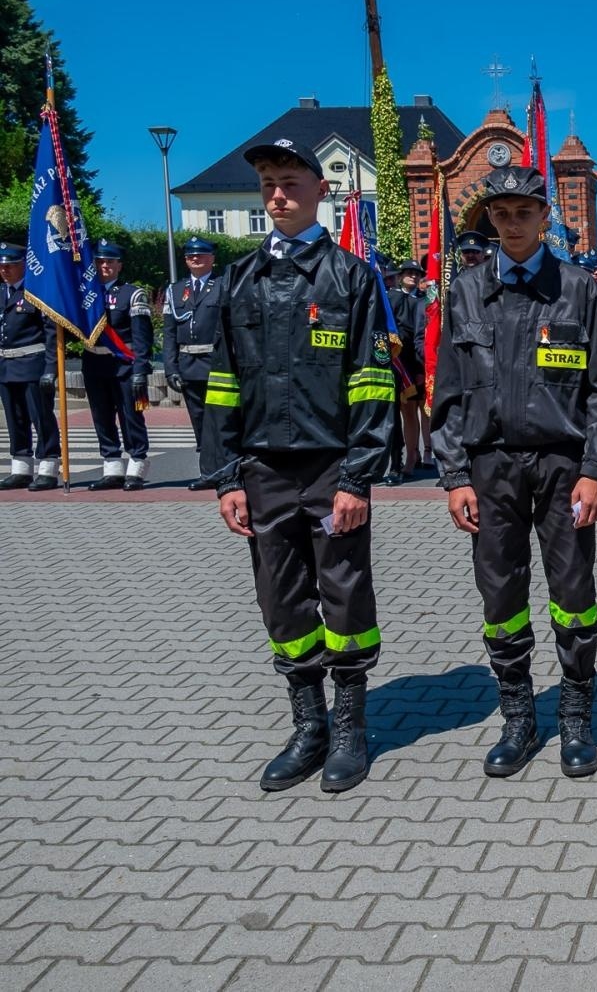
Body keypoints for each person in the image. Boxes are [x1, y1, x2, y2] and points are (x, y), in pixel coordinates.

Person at [202, 137, 396, 793]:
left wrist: (357, 475)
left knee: (343, 600)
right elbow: (222, 382)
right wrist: (227, 475)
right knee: (282, 605)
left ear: (320, 191)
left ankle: (349, 727)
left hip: (330, 469)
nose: (278, 195)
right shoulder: (238, 280)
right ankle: (308, 724)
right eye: (268, 186)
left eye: (290, 182)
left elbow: (372, 381)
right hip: (262, 472)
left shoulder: (350, 278)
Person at [432, 165, 597, 779]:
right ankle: (518, 716)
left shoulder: (580, 291)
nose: (512, 222)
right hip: (489, 469)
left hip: (562, 469)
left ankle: (576, 716)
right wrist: (454, 475)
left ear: (546, 216)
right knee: (502, 598)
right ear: (489, 219)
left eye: (524, 211)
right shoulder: (465, 291)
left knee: (573, 596)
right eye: (501, 213)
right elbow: (447, 392)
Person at [81, 240, 153, 490]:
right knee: (102, 416)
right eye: (100, 262)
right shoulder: (86, 294)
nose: (104, 266)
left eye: (110, 262)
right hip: (94, 364)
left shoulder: (132, 294)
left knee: (130, 417)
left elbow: (142, 337)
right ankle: (112, 467)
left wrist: (141, 370)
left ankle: (136, 465)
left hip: (124, 365)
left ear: (119, 265)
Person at [164, 236, 224, 489]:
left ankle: (227, 470)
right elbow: (168, 333)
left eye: (200, 255)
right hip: (189, 365)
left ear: (212, 259)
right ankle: (208, 472)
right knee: (199, 421)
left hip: (216, 363)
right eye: (190, 256)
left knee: (221, 420)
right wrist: (171, 368)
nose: (195, 259)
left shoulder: (223, 286)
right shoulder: (175, 290)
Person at [0, 241, 61, 491]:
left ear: (24, 265)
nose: (5, 270)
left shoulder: (36, 293)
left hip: (32, 363)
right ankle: (21, 468)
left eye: (11, 265)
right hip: (5, 365)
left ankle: (48, 467)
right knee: (14, 418)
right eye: (2, 266)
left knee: (41, 417)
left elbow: (50, 334)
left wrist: (51, 369)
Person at [391, 259, 429, 476]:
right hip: (400, 361)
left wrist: (420, 369)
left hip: (418, 362)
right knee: (406, 412)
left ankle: (420, 454)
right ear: (400, 276)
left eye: (416, 273)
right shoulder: (393, 298)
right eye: (408, 272)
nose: (413, 276)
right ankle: (407, 457)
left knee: (421, 410)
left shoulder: (423, 301)